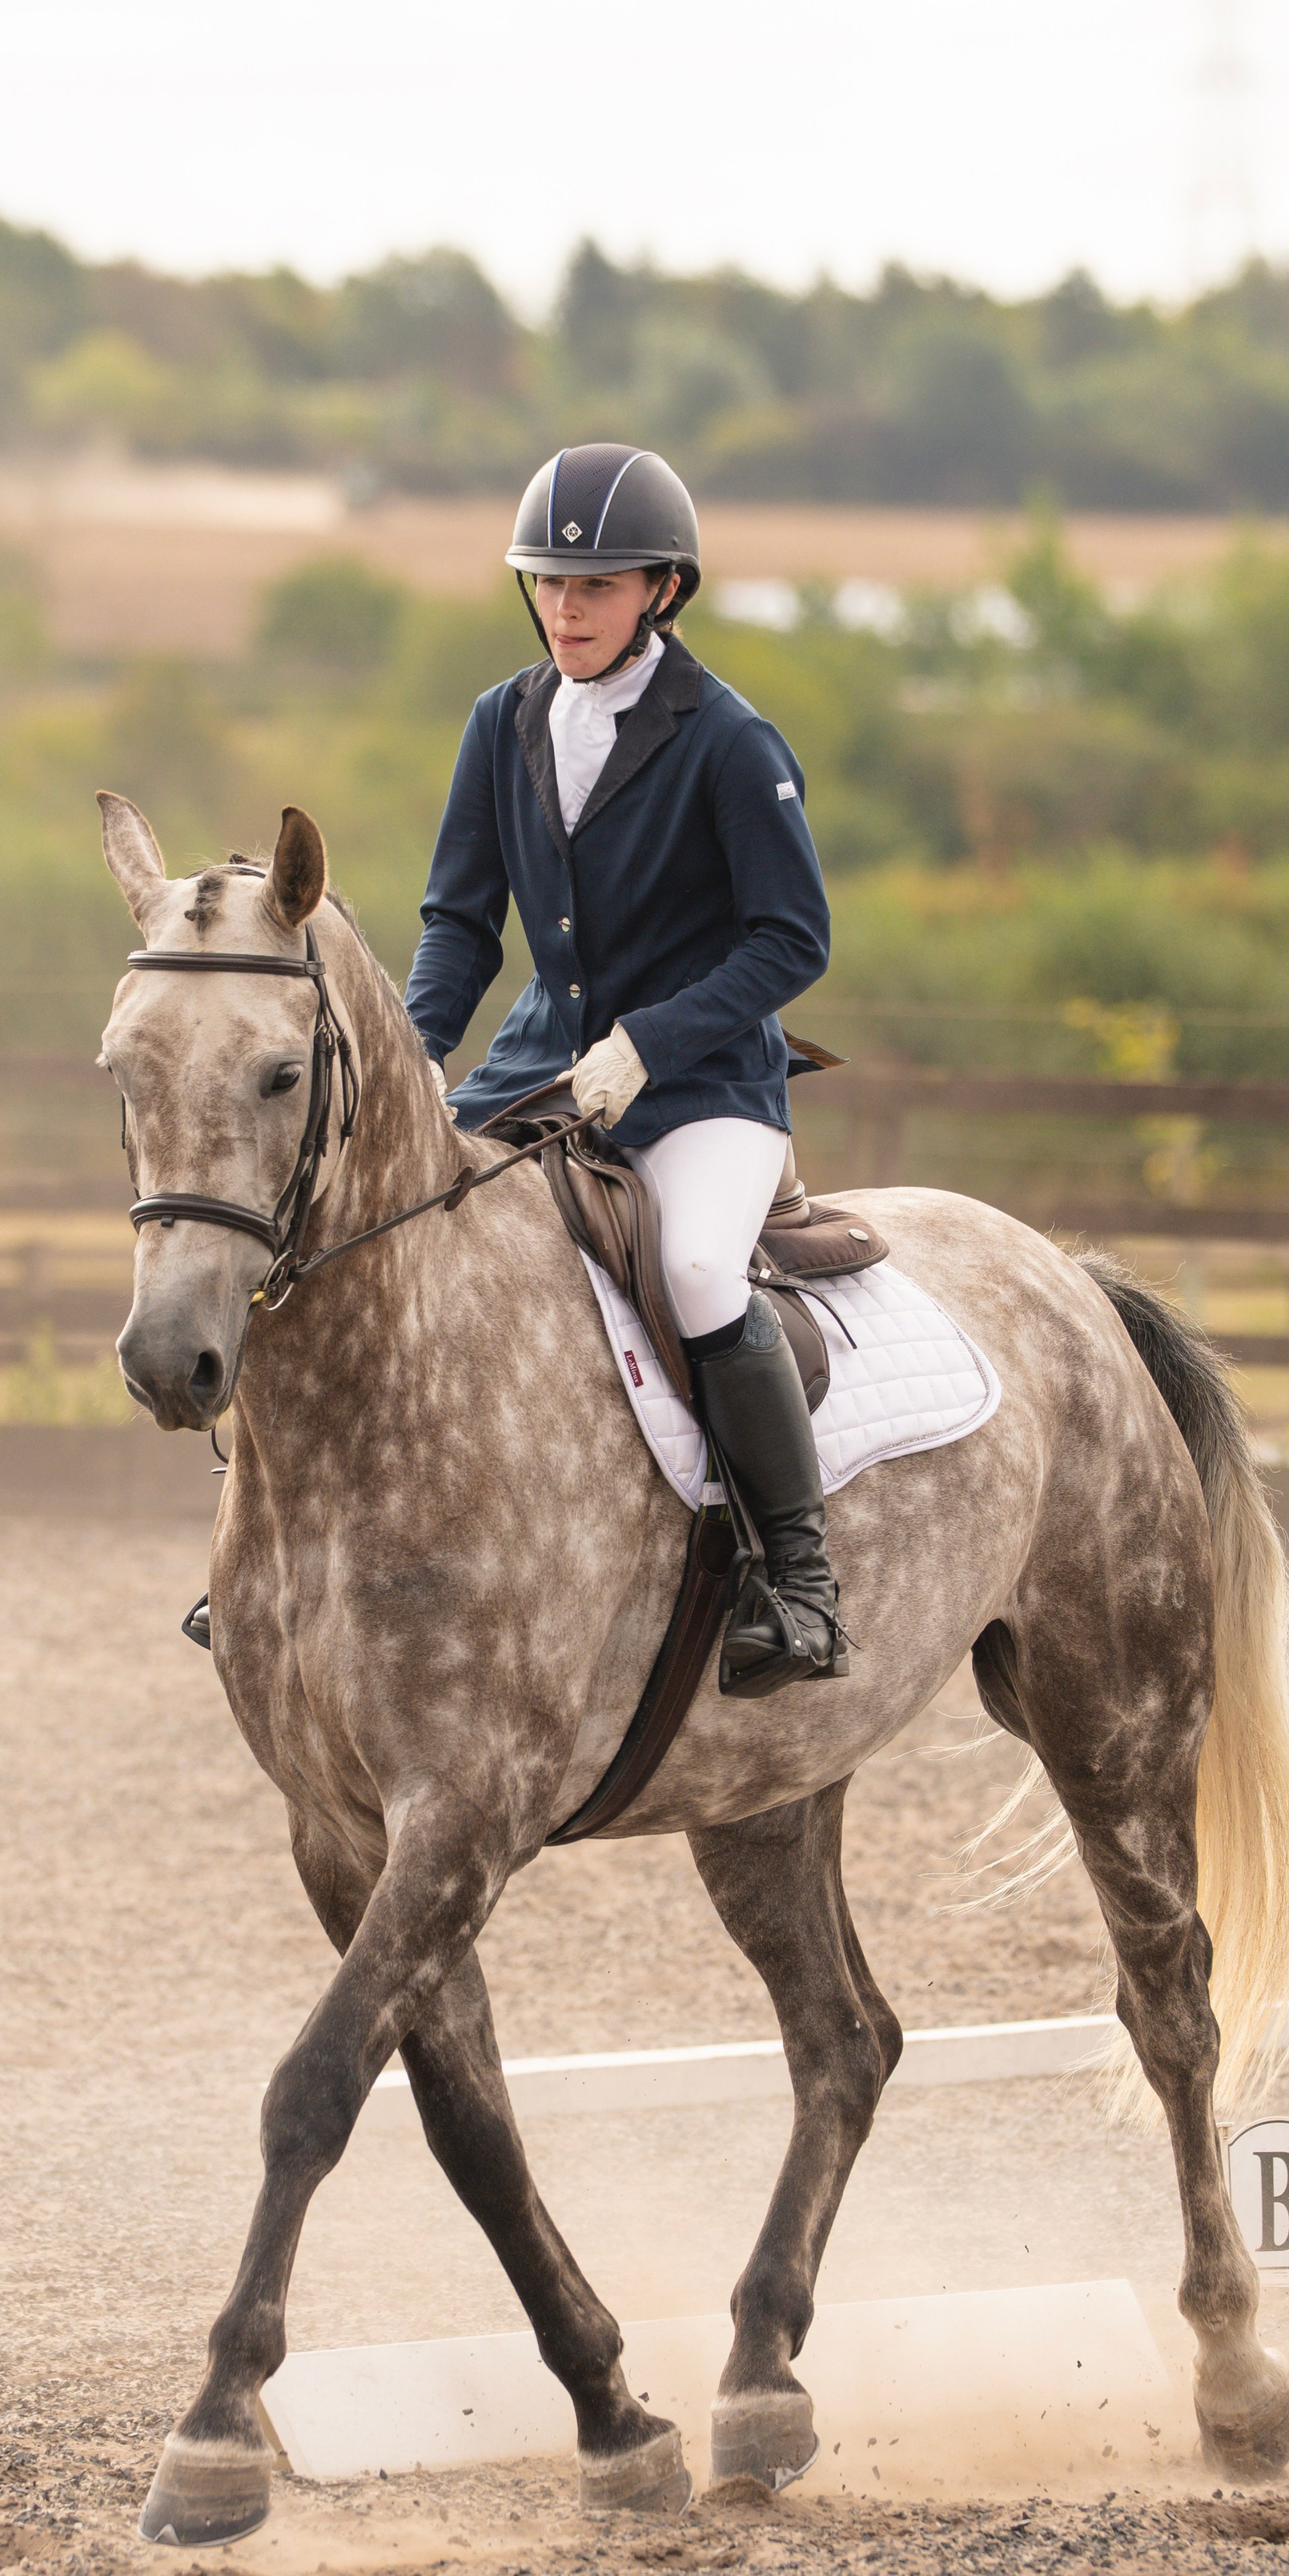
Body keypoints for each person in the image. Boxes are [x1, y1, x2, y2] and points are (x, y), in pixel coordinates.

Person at [404, 441, 846, 1698]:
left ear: (662, 588)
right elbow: (457, 920)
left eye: (594, 587)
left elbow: (792, 940)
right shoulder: (503, 721)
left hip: (704, 1083)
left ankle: (801, 1579)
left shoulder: (726, 740)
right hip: (542, 1063)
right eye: (547, 583)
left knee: (700, 1268)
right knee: (387, 1219)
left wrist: (651, 1044)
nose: (565, 608)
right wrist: (416, 1050)